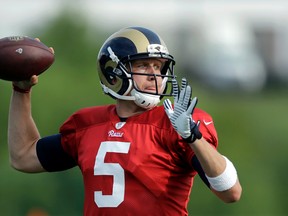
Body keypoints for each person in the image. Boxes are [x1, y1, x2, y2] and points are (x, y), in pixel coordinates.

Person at [8, 26, 242, 215]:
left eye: (159, 67)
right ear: (113, 73)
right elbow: (22, 157)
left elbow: (230, 192)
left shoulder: (175, 125)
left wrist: (193, 137)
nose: (154, 75)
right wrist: (21, 91)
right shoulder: (88, 125)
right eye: (143, 65)